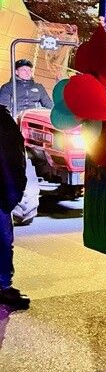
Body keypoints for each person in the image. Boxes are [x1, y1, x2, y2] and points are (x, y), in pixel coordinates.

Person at [0, 105, 29, 309]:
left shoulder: (3, 120)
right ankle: (3, 286)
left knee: (3, 241)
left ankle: (3, 286)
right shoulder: (4, 120)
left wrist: (13, 192)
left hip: (1, 193)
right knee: (2, 241)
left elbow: (13, 157)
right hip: (3, 194)